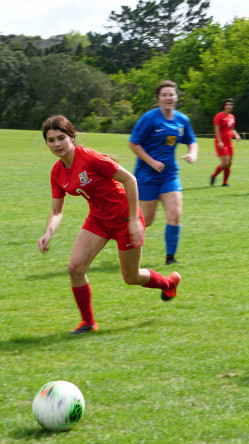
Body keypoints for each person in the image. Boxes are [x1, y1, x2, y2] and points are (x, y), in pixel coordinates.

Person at [38, 115, 181, 335]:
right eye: (51, 140)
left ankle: (168, 284)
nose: (56, 144)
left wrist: (134, 220)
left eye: (61, 138)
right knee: (75, 267)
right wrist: (48, 232)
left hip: (125, 218)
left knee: (131, 277)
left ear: (72, 137)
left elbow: (130, 180)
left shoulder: (90, 158)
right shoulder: (57, 172)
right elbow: (57, 210)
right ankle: (88, 322)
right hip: (98, 219)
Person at [128, 79, 198, 265]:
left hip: (169, 175)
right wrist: (151, 162)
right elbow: (133, 143)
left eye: (171, 94)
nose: (168, 98)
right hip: (146, 176)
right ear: (159, 99)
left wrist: (192, 154)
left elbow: (192, 140)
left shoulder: (182, 120)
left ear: (176, 97)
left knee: (175, 214)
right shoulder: (150, 119)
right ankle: (126, 240)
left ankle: (170, 258)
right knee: (147, 220)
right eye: (164, 95)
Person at [210, 98, 241, 187]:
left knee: (229, 163)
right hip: (221, 142)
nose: (229, 106)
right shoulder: (219, 116)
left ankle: (225, 182)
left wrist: (237, 135)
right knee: (225, 163)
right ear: (224, 106)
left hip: (229, 142)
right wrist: (219, 141)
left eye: (230, 105)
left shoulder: (232, 117)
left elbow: (232, 129)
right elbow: (217, 130)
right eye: (227, 104)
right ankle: (213, 176)